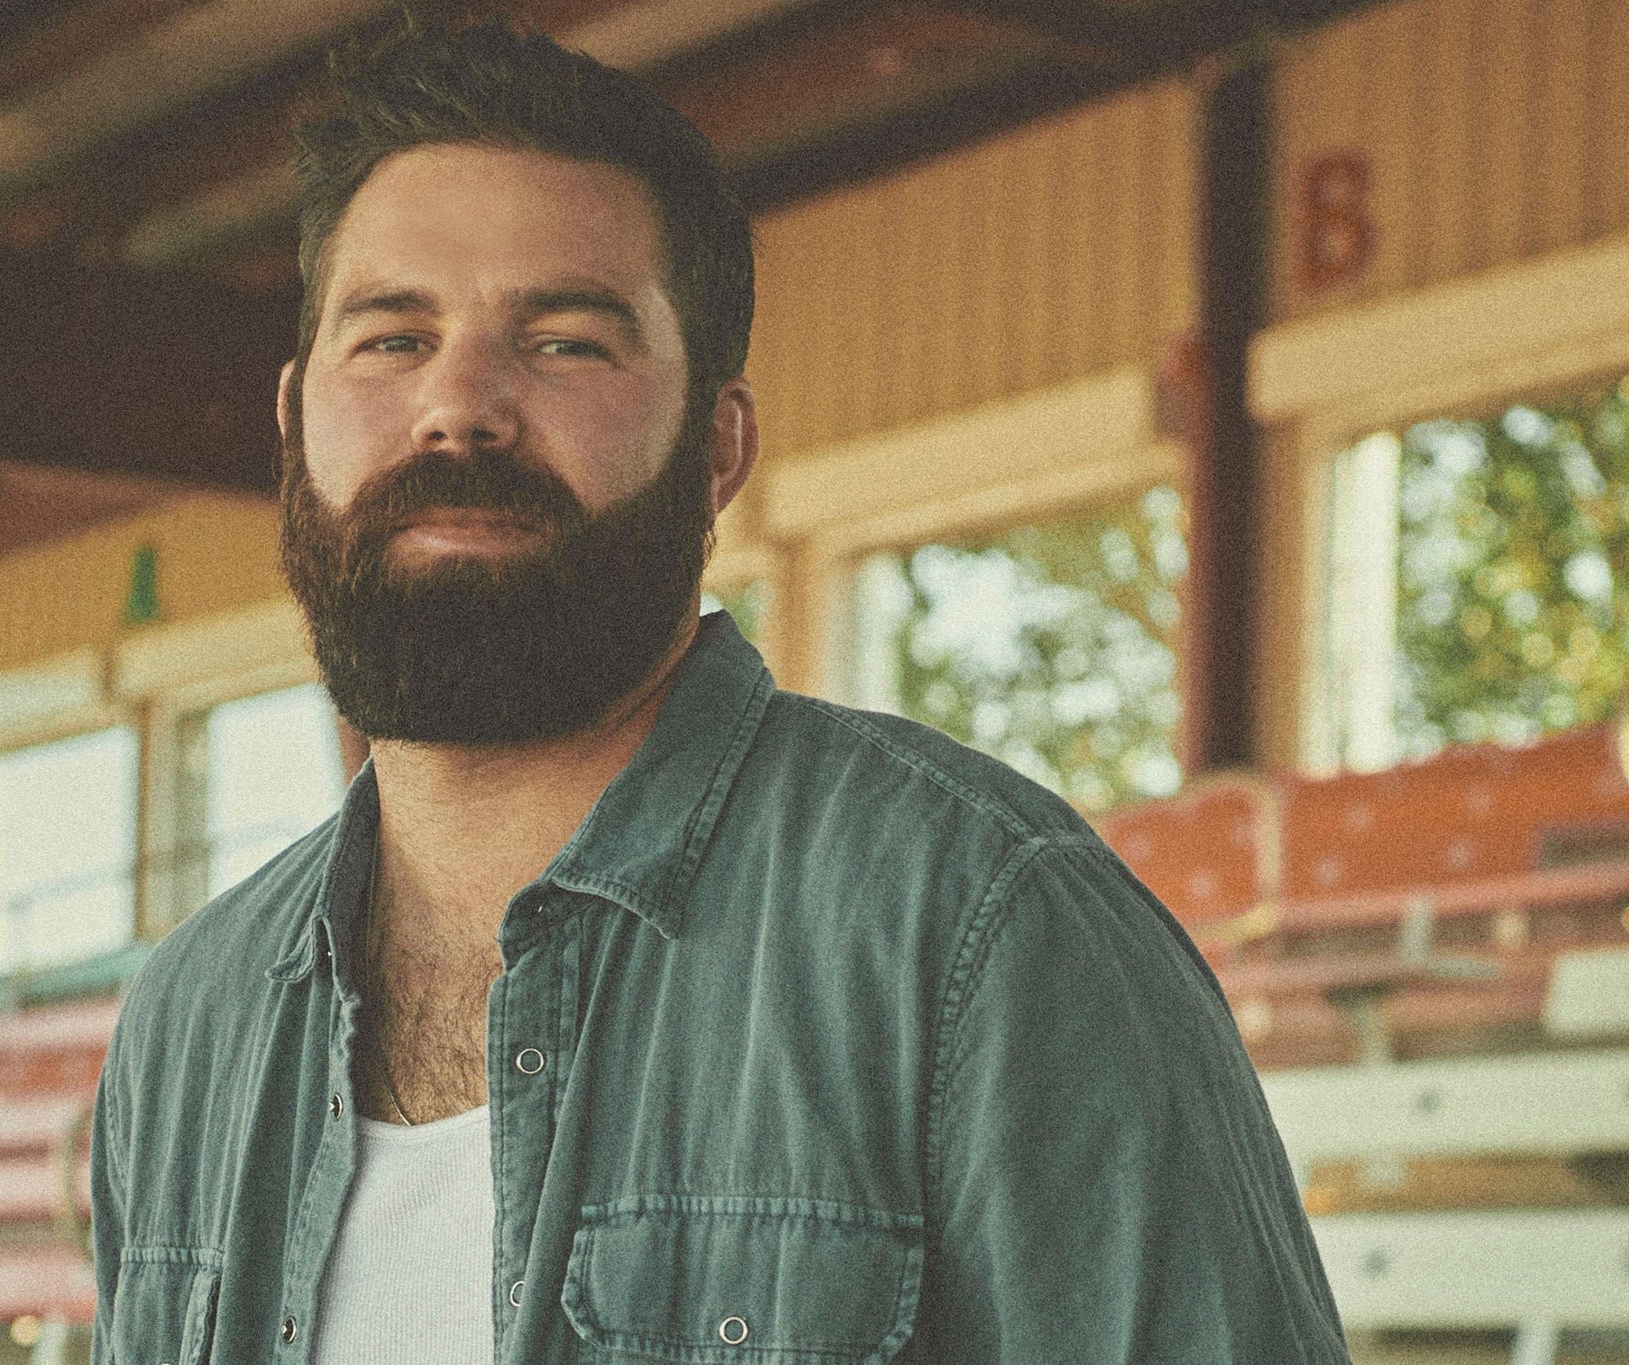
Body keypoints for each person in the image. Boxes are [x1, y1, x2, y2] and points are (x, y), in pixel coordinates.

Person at [90, 18, 1349, 1364]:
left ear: (716, 446)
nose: (458, 404)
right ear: (295, 424)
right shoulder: (194, 1017)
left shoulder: (976, 927)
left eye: (566, 343)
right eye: (391, 340)